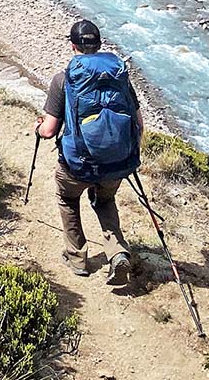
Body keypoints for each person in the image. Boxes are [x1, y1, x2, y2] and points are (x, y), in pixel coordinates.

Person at [35, 19, 143, 286]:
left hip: (77, 164)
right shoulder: (119, 77)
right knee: (104, 201)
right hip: (116, 163)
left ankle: (77, 258)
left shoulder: (63, 79)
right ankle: (117, 251)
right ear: (99, 44)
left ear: (72, 45)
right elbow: (138, 124)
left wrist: (37, 129)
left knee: (68, 198)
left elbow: (49, 130)